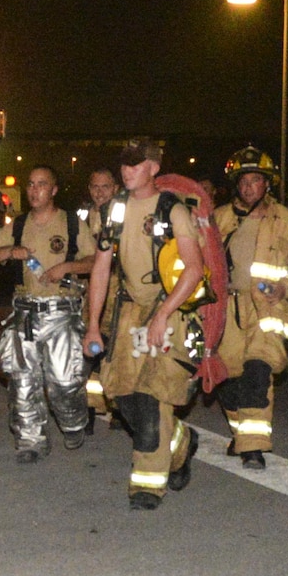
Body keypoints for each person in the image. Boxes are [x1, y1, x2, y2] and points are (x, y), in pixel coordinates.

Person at [82, 140, 205, 510]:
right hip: (128, 314)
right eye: (123, 164)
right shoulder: (115, 209)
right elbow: (101, 268)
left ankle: (148, 486)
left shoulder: (173, 210)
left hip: (169, 311)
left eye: (135, 164)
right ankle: (180, 441)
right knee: (122, 395)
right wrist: (92, 325)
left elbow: (195, 268)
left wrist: (164, 314)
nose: (126, 170)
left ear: (153, 166)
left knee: (153, 397)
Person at [0, 165, 94, 462]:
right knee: (22, 382)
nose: (34, 190)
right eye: (30, 184)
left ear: (53, 190)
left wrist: (67, 267)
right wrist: (10, 252)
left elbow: (96, 260)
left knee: (65, 381)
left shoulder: (70, 223)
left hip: (62, 311)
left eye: (42, 184)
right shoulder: (17, 226)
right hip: (26, 313)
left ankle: (73, 423)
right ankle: (30, 440)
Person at [212, 146, 288, 468]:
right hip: (226, 312)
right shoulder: (218, 219)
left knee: (257, 373)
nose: (248, 187)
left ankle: (254, 448)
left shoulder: (286, 221)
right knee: (227, 381)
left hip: (268, 310)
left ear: (267, 184)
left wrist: (286, 286)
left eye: (255, 180)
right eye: (243, 181)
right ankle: (242, 434)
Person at [80, 165, 120, 420]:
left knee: (116, 351)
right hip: (90, 292)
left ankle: (117, 406)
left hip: (119, 292)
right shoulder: (83, 217)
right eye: (95, 186)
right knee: (92, 350)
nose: (99, 192)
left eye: (105, 186)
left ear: (115, 188)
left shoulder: (123, 215)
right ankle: (92, 408)